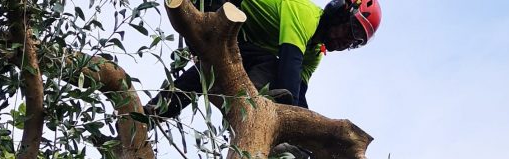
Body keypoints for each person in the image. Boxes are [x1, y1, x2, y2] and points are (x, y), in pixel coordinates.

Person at [146, 0, 381, 117]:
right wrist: (288, 122)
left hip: (235, 34)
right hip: (219, 5)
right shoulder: (307, 17)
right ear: (340, 12)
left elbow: (298, 93)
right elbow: (288, 70)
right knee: (270, 66)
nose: (347, 42)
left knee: (218, 65)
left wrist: (311, 133)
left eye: (355, 43)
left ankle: (155, 111)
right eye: (351, 32)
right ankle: (254, 104)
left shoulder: (315, 53)